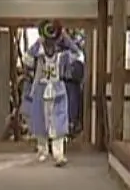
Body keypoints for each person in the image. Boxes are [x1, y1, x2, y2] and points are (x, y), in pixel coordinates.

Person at [21, 20, 84, 166]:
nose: (50, 46)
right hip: (41, 89)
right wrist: (37, 43)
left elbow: (79, 55)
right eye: (47, 42)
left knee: (59, 122)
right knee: (40, 121)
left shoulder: (62, 56)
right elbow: (27, 60)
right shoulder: (38, 54)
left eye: (52, 42)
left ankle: (59, 154)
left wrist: (66, 39)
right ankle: (42, 150)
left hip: (57, 90)